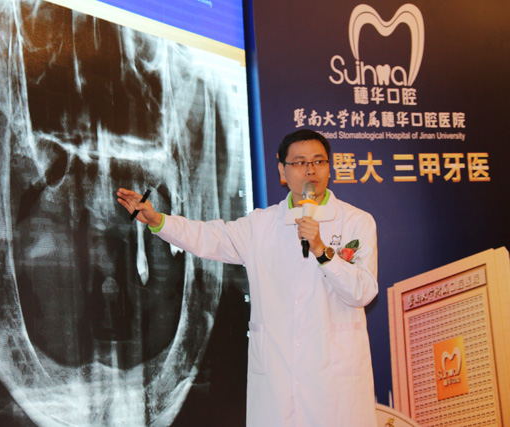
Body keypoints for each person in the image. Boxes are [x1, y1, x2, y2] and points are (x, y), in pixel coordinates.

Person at [117, 129, 379, 426]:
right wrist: (158, 221)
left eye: (318, 161)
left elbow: (362, 292)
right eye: (299, 162)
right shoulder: (261, 224)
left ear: (329, 168)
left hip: (334, 383)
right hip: (278, 380)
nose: (310, 170)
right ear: (282, 171)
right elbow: (208, 237)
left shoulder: (356, 221)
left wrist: (322, 251)